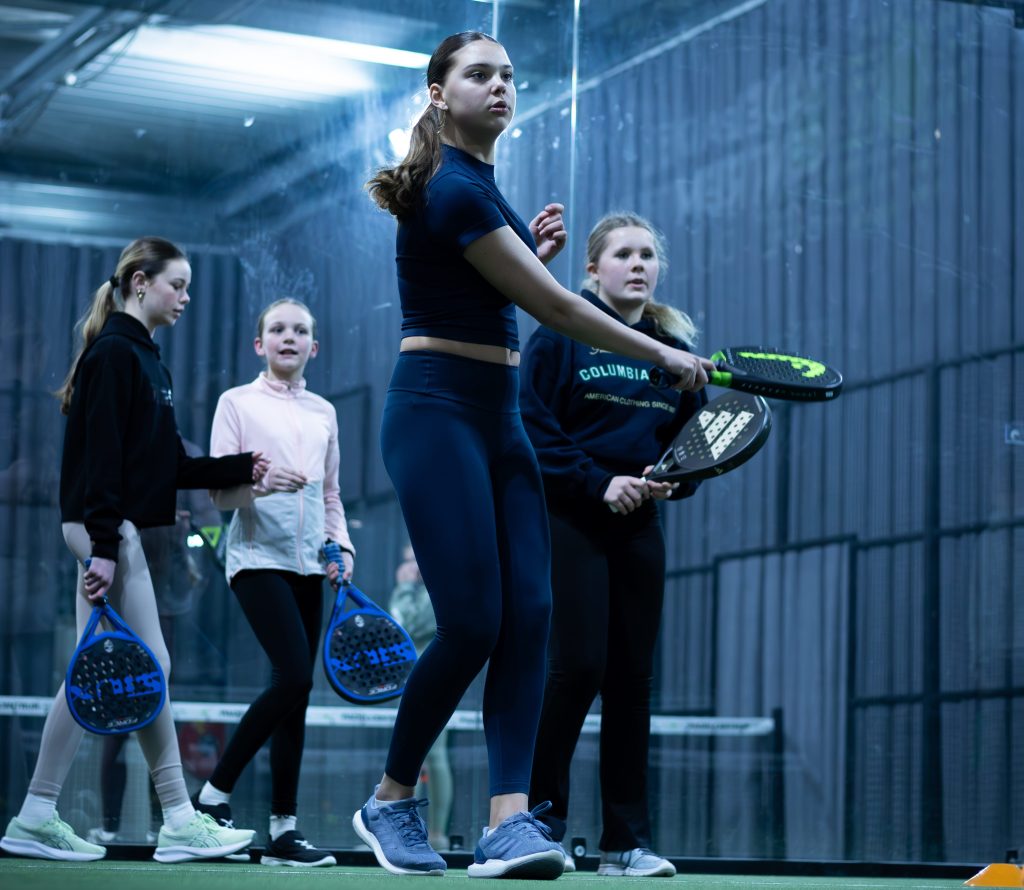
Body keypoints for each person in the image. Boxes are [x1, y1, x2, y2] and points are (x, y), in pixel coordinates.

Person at [353, 30, 711, 880]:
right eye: (480, 74)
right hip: (435, 410)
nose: (501, 86)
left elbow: (504, 286)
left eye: (509, 75)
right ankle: (390, 799)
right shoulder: (451, 185)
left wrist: (530, 257)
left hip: (497, 415)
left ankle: (509, 822)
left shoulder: (481, 184)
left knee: (533, 618)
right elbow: (555, 309)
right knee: (474, 623)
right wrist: (660, 352)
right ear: (438, 93)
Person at [0, 236, 266, 864]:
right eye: (178, 284)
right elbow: (101, 459)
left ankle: (56, 813)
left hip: (114, 530)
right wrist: (102, 547)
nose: (186, 297)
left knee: (123, 666)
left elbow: (165, 464)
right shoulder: (115, 353)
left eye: (189, 287)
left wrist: (239, 468)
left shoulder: (145, 359)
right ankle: (171, 817)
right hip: (106, 530)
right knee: (138, 665)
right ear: (140, 282)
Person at [521, 212, 708, 877]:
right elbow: (530, 428)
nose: (637, 265)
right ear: (593, 268)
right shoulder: (560, 336)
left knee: (632, 680)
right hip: (570, 519)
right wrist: (598, 483)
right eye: (623, 254)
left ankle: (626, 842)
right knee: (577, 668)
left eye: (647, 255)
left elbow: (691, 446)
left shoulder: (672, 353)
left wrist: (671, 481)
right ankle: (536, 825)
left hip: (639, 527)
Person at [191, 298, 356, 868]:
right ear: (259, 344)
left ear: (314, 346)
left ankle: (284, 830)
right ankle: (213, 796)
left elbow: (331, 495)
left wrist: (342, 548)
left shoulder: (324, 412)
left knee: (297, 694)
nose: (290, 337)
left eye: (300, 330)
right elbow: (219, 494)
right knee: (293, 677)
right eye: (278, 329)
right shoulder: (236, 402)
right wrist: (262, 485)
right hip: (255, 558)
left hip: (311, 565)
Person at [388, 545, 453, 851]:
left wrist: (403, 587)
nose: (410, 568)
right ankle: (407, 828)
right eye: (406, 561)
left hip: (433, 680)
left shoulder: (438, 590)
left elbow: (408, 624)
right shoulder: (418, 591)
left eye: (414, 560)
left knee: (435, 756)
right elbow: (394, 628)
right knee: (410, 755)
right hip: (408, 681)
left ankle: (437, 832)